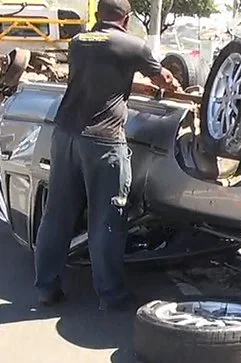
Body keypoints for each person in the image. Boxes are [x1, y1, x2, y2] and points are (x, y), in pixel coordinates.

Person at [34, 0, 179, 310]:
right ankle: (111, 296)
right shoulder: (133, 45)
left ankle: (46, 288)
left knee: (57, 215)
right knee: (107, 219)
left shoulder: (79, 42)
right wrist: (171, 81)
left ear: (99, 16)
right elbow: (163, 79)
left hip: (65, 136)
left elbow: (99, 76)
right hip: (103, 142)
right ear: (126, 19)